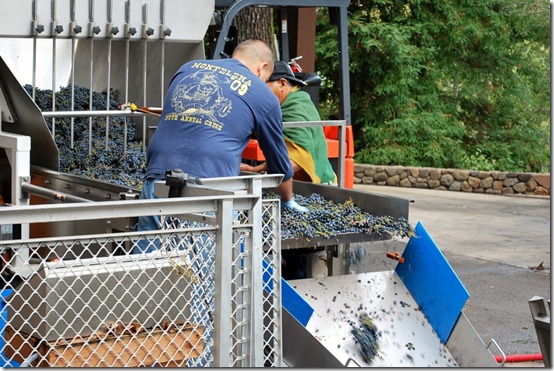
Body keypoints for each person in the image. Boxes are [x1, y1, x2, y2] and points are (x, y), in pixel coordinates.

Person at [134, 39, 308, 253]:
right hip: (210, 191)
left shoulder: (188, 68)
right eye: (264, 79)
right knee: (204, 273)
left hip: (157, 177)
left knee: (147, 269)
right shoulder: (262, 94)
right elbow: (281, 168)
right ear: (262, 68)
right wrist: (288, 200)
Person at [240, 61, 337, 185]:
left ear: (282, 83)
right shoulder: (293, 101)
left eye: (264, 88)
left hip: (317, 185)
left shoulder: (295, 107)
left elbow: (301, 157)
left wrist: (268, 180)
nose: (260, 95)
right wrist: (257, 169)